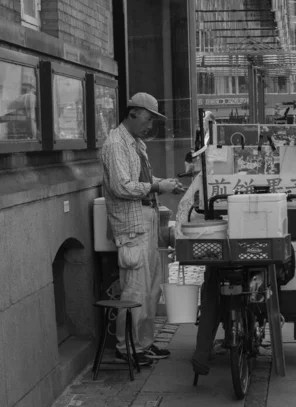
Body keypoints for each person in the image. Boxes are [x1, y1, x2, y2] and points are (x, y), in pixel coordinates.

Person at [101, 92, 184, 365]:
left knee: (150, 289)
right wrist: (158, 186)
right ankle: (128, 348)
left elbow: (141, 179)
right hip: (132, 227)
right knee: (135, 291)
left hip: (145, 221)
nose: (150, 126)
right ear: (133, 113)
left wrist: (163, 182)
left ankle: (144, 343)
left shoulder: (136, 143)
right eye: (148, 119)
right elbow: (121, 186)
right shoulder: (116, 144)